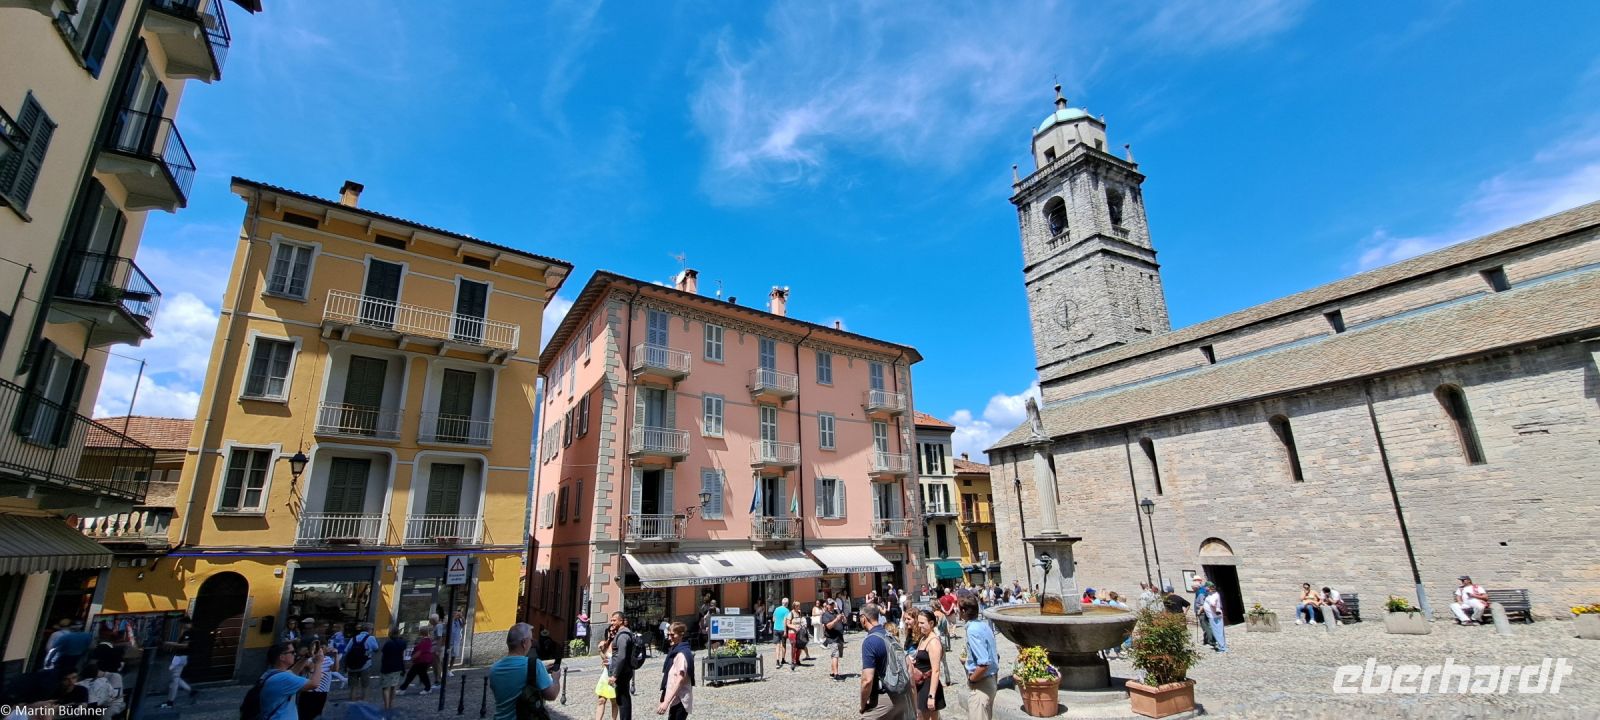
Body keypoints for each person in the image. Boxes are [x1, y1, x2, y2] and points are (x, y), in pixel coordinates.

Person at [489, 623, 558, 720]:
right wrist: (556, 679)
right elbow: (552, 695)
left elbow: (512, 680)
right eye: (531, 639)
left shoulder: (494, 669)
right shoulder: (535, 665)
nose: (532, 642)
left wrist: (538, 671)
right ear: (524, 643)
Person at [858, 604, 903, 720]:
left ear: (863, 618)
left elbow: (867, 680)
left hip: (884, 697)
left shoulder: (870, 641)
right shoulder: (889, 635)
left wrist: (863, 704)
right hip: (901, 694)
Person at [260, 641, 325, 720]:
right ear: (282, 657)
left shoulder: (273, 674)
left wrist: (307, 656)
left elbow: (293, 671)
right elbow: (314, 684)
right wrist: (318, 663)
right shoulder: (283, 678)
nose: (295, 654)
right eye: (292, 652)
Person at [960, 591, 997, 720]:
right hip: (990, 681)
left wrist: (972, 680)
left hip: (981, 684)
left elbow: (984, 663)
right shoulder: (983, 625)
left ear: (964, 611)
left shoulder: (972, 630)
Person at [909, 609, 946, 719]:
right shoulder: (924, 638)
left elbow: (936, 670)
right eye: (918, 622)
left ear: (931, 623)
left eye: (922, 623)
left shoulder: (933, 642)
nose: (919, 626)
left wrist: (931, 696)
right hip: (921, 684)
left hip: (929, 686)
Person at [656, 622, 694, 720]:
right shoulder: (675, 651)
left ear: (681, 635)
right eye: (668, 635)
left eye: (673, 635)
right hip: (675, 699)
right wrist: (664, 697)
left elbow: (679, 680)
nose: (669, 638)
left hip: (680, 699)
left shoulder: (682, 654)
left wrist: (666, 702)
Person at [160, 616, 198, 708]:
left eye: (181, 624)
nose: (180, 626)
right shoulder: (187, 632)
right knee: (174, 676)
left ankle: (170, 702)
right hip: (178, 657)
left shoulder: (188, 632)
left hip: (180, 657)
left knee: (174, 679)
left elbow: (184, 645)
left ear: (185, 623)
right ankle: (190, 691)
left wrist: (168, 643)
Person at [606, 612, 639, 720]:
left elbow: (621, 656)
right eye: (611, 620)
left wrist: (615, 675)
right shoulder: (622, 633)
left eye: (614, 620)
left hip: (622, 672)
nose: (612, 622)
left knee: (623, 700)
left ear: (621, 621)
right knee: (622, 698)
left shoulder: (623, 635)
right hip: (624, 671)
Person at [298, 641, 334, 720]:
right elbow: (302, 670)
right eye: (314, 647)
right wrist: (313, 662)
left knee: (317, 714)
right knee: (305, 715)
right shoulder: (308, 660)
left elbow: (334, 669)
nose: (317, 650)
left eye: (318, 647)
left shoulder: (326, 659)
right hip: (308, 692)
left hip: (321, 692)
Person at [344, 623, 377, 702]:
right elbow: (376, 648)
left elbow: (346, 650)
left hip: (352, 666)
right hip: (365, 665)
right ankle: (364, 703)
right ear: (370, 630)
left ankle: (352, 703)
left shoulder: (354, 638)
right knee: (365, 686)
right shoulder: (371, 638)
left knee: (353, 687)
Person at [400, 625, 435, 695]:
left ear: (421, 632)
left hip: (422, 660)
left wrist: (412, 658)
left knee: (414, 674)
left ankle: (403, 689)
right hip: (422, 660)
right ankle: (402, 688)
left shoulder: (425, 641)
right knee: (419, 674)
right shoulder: (426, 640)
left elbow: (420, 651)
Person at [378, 626, 407, 710]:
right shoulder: (403, 642)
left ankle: (386, 706)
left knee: (386, 687)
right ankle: (391, 704)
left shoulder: (388, 643)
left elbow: (384, 656)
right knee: (394, 686)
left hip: (387, 667)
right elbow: (403, 655)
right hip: (398, 667)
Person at [595, 632, 619, 720]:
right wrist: (600, 650)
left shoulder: (619, 644)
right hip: (605, 675)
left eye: (613, 632)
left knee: (614, 701)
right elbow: (605, 659)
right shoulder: (607, 643)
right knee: (601, 700)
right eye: (610, 632)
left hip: (614, 676)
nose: (611, 633)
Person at [823, 595, 847, 680]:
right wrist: (836, 619)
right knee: (835, 655)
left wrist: (843, 618)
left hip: (840, 637)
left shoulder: (837, 612)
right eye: (830, 604)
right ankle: (836, 675)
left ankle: (833, 672)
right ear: (826, 605)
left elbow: (845, 622)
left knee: (836, 655)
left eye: (832, 604)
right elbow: (828, 626)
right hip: (832, 638)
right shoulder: (825, 615)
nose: (832, 606)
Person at [1202, 583, 1227, 653]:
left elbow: (1213, 604)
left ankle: (1222, 648)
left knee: (1217, 632)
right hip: (1213, 616)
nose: (1205, 589)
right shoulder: (1212, 594)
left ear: (1209, 587)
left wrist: (1215, 611)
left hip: (1214, 616)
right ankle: (1223, 646)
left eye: (1206, 587)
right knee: (1219, 631)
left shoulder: (1213, 595)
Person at [785, 600, 805, 669]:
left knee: (799, 647)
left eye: (799, 605)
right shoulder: (791, 613)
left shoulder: (799, 613)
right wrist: (794, 627)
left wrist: (803, 625)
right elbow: (788, 624)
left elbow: (801, 621)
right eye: (797, 605)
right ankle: (793, 661)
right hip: (792, 633)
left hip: (799, 633)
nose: (798, 607)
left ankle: (797, 660)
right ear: (794, 606)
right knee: (794, 647)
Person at [772, 598, 791, 668]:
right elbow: (785, 621)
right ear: (787, 603)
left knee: (777, 645)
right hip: (782, 629)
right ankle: (783, 659)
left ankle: (777, 660)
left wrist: (777, 621)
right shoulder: (787, 610)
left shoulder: (776, 609)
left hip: (776, 628)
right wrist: (785, 631)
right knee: (783, 645)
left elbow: (773, 619)